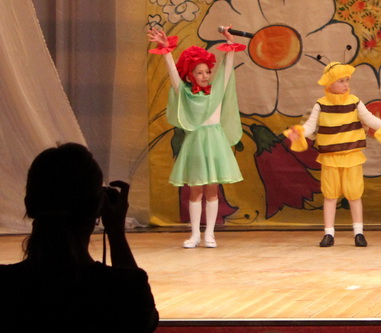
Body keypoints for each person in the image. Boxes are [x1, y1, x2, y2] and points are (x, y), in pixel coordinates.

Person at [0, 143, 158, 331]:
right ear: (98, 206)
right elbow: (142, 320)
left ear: (29, 204)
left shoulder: (6, 285)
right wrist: (116, 232)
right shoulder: (126, 288)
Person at [284, 62, 381, 247]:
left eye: (347, 80)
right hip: (330, 157)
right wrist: (299, 133)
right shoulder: (321, 105)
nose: (346, 84)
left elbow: (370, 119)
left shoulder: (354, 102)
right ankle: (329, 233)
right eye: (341, 81)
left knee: (354, 195)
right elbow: (310, 126)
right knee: (330, 196)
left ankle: (359, 233)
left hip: (352, 156)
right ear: (329, 83)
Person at [148, 25, 244, 248]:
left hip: (215, 144)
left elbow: (226, 69)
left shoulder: (217, 91)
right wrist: (166, 51)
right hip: (195, 145)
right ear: (190, 76)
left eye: (207, 72)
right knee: (195, 191)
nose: (205, 76)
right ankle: (194, 234)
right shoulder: (185, 94)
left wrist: (229, 43)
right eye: (199, 73)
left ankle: (209, 234)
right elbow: (173, 76)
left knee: (212, 191)